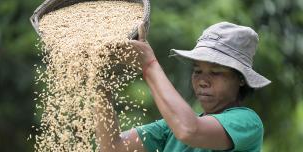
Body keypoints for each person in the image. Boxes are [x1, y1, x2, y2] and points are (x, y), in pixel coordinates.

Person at [96, 21, 271, 152]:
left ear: (241, 79)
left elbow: (189, 130)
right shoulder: (170, 128)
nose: (203, 81)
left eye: (216, 72)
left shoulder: (247, 123)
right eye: (197, 71)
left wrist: (149, 64)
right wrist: (100, 82)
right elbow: (112, 146)